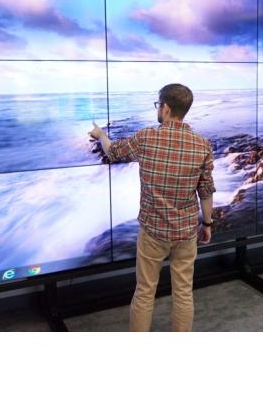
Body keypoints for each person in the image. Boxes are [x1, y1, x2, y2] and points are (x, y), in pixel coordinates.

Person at [89, 83, 216, 332]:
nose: (158, 110)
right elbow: (206, 190)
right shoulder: (202, 144)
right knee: (183, 292)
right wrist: (207, 223)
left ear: (166, 108)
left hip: (152, 232)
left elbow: (113, 152)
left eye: (158, 105)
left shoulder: (147, 137)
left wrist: (101, 135)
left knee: (145, 291)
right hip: (186, 232)